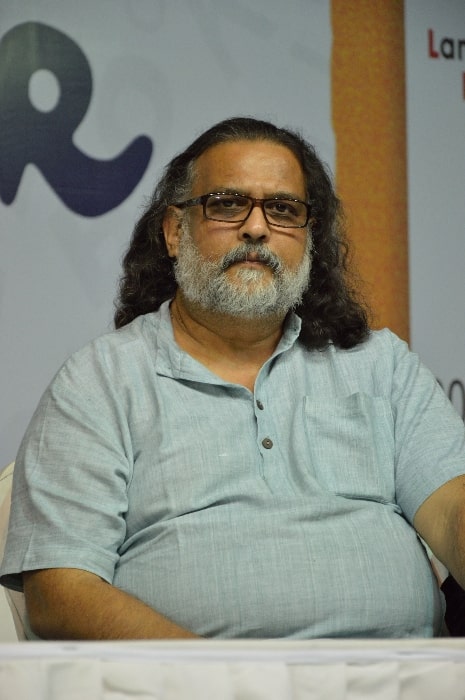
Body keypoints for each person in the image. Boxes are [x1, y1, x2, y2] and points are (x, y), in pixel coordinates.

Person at [1, 116, 465, 640]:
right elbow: (62, 592)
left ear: (309, 239)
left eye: (284, 209)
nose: (257, 227)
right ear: (176, 231)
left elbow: (453, 512)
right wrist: (222, 679)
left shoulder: (380, 364)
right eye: (227, 203)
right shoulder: (100, 380)